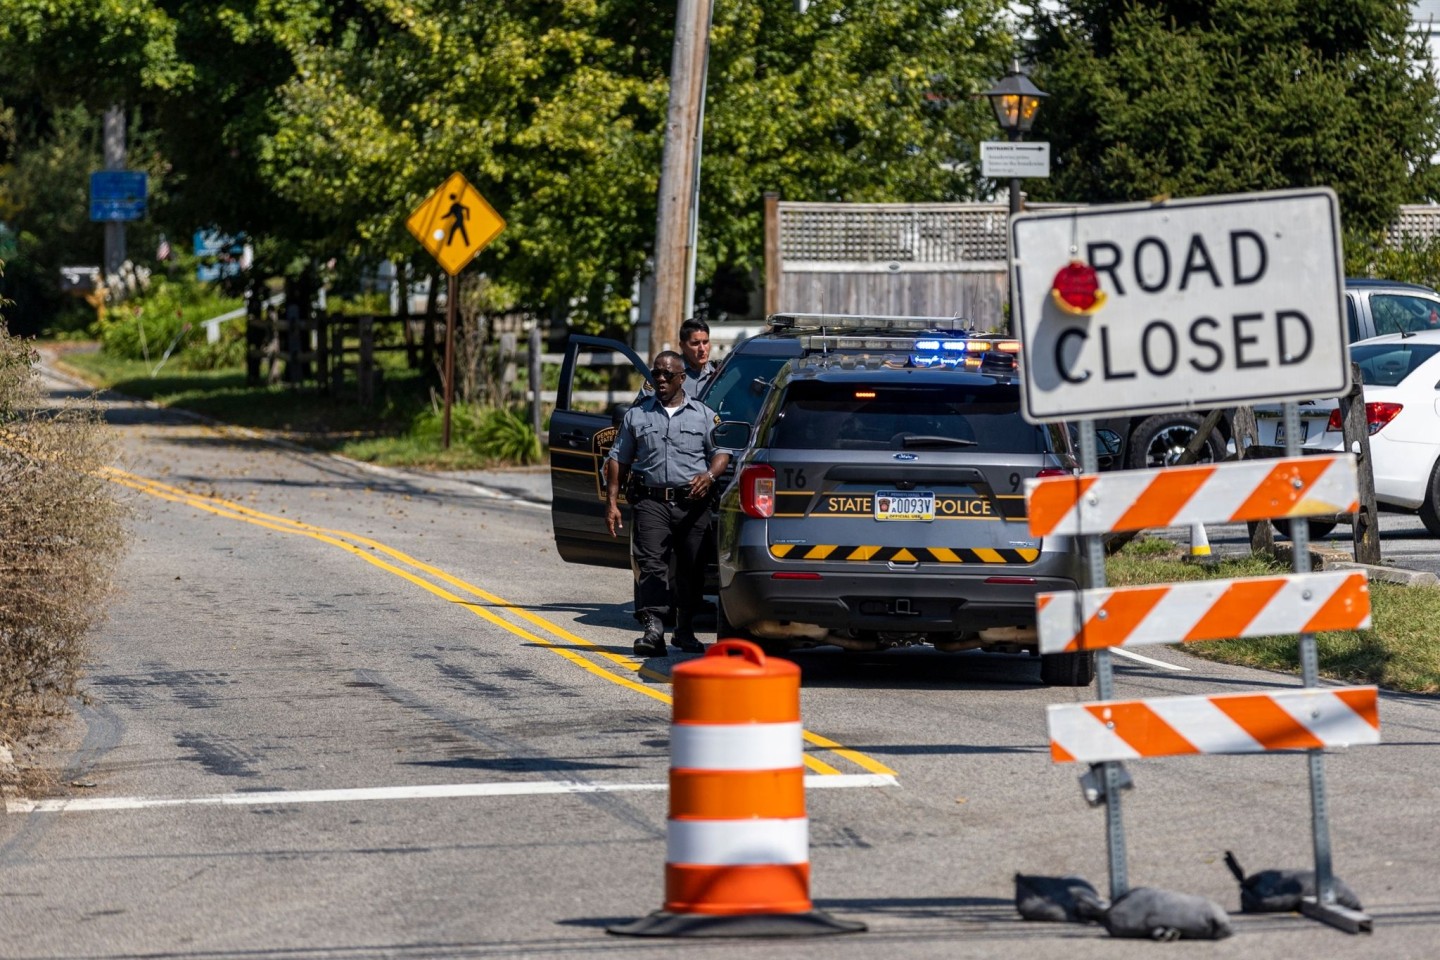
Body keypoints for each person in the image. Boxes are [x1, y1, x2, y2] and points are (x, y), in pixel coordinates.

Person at [605, 351, 730, 657]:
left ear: (681, 379)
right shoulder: (637, 415)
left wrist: (710, 476)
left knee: (692, 567)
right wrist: (612, 502)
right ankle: (654, 629)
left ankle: (684, 631)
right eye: (655, 374)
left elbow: (722, 454)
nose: (660, 379)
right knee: (651, 565)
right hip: (651, 501)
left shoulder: (703, 414)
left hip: (692, 503)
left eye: (667, 375)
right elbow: (617, 460)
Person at [678, 317, 716, 398]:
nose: (702, 349)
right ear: (682, 346)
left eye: (705, 342)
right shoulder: (666, 375)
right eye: (696, 343)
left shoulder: (718, 374)